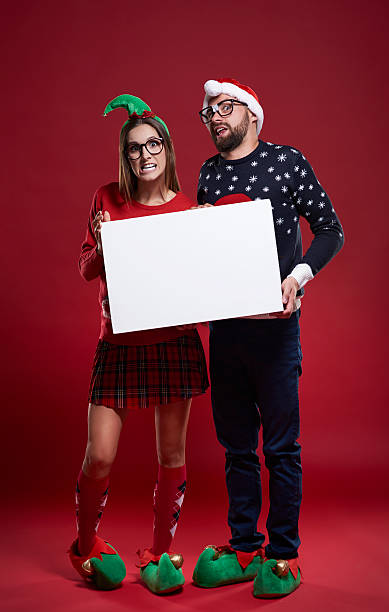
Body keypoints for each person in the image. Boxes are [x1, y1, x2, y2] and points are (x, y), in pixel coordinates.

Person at [191, 78, 344, 598]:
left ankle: (284, 554)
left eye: (224, 107)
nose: (214, 117)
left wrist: (297, 278)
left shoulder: (287, 162)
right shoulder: (209, 174)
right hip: (225, 331)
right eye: (208, 111)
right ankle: (243, 547)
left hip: (276, 332)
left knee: (280, 448)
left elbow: (330, 230)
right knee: (236, 448)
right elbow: (204, 252)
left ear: (252, 114)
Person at [68, 94, 209, 594]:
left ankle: (160, 551)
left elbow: (203, 284)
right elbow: (86, 269)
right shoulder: (106, 199)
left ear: (168, 150)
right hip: (119, 344)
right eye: (134, 148)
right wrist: (102, 245)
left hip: (174, 343)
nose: (145, 154)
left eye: (153, 145)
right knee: (99, 456)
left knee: (171, 456)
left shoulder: (189, 210)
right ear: (124, 157)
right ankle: (85, 547)